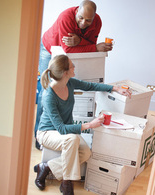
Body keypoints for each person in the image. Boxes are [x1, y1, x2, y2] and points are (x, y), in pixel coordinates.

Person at [34, 54, 131, 194]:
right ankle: (67, 183)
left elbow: (90, 85)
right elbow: (60, 128)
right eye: (72, 65)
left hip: (67, 133)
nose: (74, 67)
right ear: (65, 72)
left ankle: (47, 167)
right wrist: (89, 125)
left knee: (85, 153)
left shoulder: (70, 83)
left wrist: (114, 88)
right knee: (72, 139)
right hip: (47, 133)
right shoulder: (49, 95)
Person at [35, 0, 112, 150]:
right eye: (81, 18)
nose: (83, 23)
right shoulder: (66, 17)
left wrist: (79, 40)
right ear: (76, 12)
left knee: (70, 87)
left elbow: (88, 43)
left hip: (65, 52)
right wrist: (95, 47)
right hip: (49, 48)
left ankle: (60, 131)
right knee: (46, 92)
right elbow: (69, 50)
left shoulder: (97, 22)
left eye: (88, 20)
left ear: (94, 17)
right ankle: (40, 136)